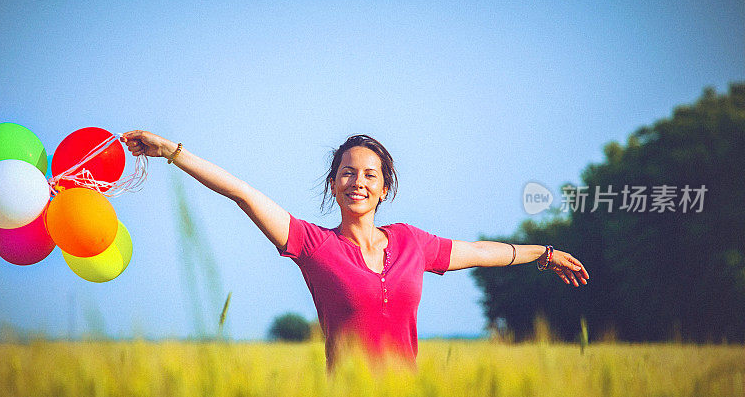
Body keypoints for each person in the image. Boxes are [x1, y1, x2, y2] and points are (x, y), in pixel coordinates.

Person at [121, 131, 590, 373]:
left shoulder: (411, 241)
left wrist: (541, 253)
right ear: (333, 183)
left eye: (369, 174)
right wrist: (171, 151)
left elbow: (478, 251)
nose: (358, 182)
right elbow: (242, 191)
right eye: (348, 172)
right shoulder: (312, 245)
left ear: (385, 187)